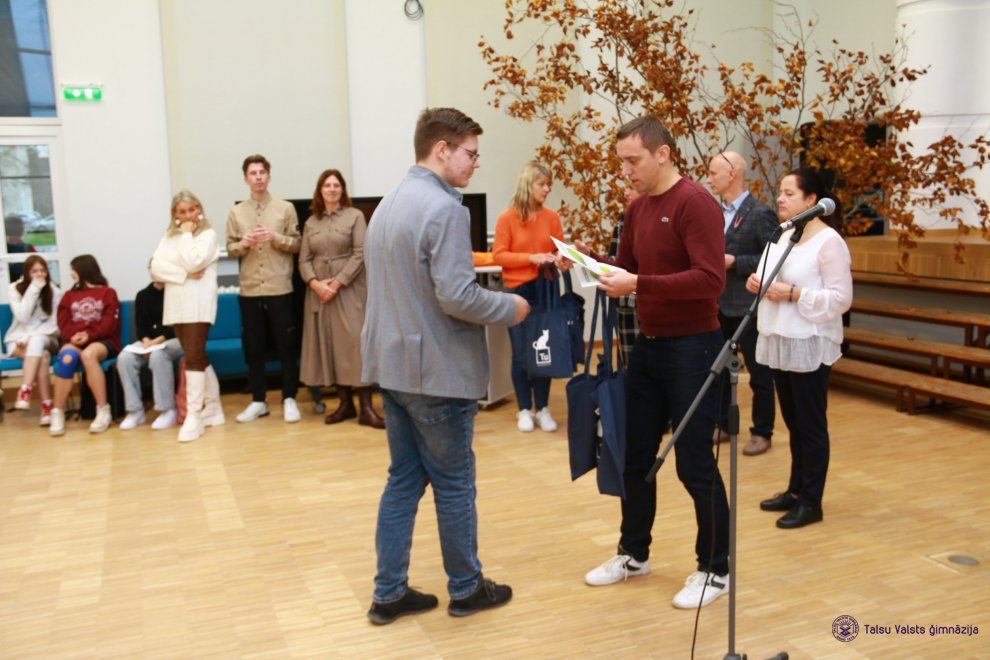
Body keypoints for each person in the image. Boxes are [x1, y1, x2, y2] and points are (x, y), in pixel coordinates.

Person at [361, 107, 530, 624]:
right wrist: (511, 307)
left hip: (393, 367)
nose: (476, 163)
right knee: (454, 484)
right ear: (442, 149)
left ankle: (388, 593)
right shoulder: (445, 210)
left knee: (403, 482)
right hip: (435, 372)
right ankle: (466, 588)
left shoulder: (388, 202)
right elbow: (457, 296)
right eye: (471, 154)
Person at [576, 117, 731, 609]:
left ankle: (715, 568)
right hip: (649, 346)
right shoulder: (638, 207)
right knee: (634, 456)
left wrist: (638, 284)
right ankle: (633, 553)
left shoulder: (695, 203)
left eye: (633, 160)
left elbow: (711, 280)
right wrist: (584, 260)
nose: (625, 170)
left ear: (662, 154)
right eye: (621, 161)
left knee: (694, 464)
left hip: (694, 349)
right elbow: (627, 269)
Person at [746, 168, 853, 529]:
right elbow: (768, 277)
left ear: (812, 200)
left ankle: (811, 501)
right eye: (780, 192)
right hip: (781, 337)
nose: (780, 198)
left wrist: (793, 294)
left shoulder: (829, 242)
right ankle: (795, 490)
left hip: (808, 341)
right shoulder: (783, 234)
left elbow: (841, 299)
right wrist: (756, 283)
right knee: (793, 422)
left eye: (789, 193)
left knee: (810, 425)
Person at [706, 150, 779, 456]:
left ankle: (762, 431)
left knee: (759, 374)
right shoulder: (712, 213)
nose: (708, 179)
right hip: (718, 307)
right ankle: (723, 423)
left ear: (732, 174)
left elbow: (774, 258)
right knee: (719, 370)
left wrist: (736, 261)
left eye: (713, 173)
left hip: (749, 308)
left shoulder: (759, 213)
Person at [298, 169, 384, 429]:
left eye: (337, 185)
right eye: (327, 185)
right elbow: (303, 259)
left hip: (350, 290)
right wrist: (315, 284)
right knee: (330, 345)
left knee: (356, 345)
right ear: (320, 191)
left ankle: (366, 407)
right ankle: (345, 404)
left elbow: (360, 253)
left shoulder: (354, 216)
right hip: (320, 294)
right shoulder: (311, 222)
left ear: (343, 190)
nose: (332, 189)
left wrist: (336, 284)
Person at [225, 154, 302, 424]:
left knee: (286, 345)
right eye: (253, 173)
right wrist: (243, 244)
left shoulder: (285, 208)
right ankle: (259, 400)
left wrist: (275, 237)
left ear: (268, 176)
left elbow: (297, 244)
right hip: (249, 290)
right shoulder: (236, 213)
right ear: (246, 179)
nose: (258, 177)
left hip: (279, 287)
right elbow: (230, 248)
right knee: (253, 346)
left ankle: (289, 397)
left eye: (262, 172)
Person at [492, 161, 564, 433]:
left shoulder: (552, 218)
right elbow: (500, 255)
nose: (547, 189)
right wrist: (531, 258)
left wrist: (562, 258)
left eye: (548, 185)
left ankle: (543, 408)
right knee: (521, 354)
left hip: (546, 290)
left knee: (543, 352)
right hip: (518, 292)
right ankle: (524, 409)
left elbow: (559, 250)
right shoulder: (507, 218)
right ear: (528, 185)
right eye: (541, 184)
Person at [152, 190, 223, 442]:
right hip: (176, 305)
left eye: (192, 209)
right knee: (197, 355)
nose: (188, 215)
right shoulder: (168, 237)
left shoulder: (208, 235)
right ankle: (213, 407)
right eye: (182, 212)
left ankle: (194, 416)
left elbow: (194, 262)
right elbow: (155, 268)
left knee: (192, 357)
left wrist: (186, 236)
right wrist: (183, 274)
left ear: (199, 209)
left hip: (198, 304)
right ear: (175, 215)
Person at [49, 255, 121, 436]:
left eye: (73, 269)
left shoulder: (108, 293)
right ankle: (57, 412)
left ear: (83, 271)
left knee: (88, 355)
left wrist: (89, 335)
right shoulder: (68, 296)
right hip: (74, 340)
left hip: (101, 340)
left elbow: (109, 325)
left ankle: (103, 410)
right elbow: (63, 324)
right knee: (67, 358)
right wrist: (74, 337)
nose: (71, 273)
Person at [116, 271, 184, 431]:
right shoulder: (143, 295)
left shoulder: (176, 292)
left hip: (173, 339)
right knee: (125, 358)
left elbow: (178, 325)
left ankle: (167, 409)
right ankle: (135, 410)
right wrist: (146, 341)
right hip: (149, 341)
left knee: (158, 355)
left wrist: (157, 341)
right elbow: (140, 325)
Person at [4, 254, 61, 425]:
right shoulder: (14, 288)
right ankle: (46, 408)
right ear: (26, 273)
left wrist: (29, 337)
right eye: (34, 271)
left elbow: (54, 325)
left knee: (37, 340)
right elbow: (22, 316)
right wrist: (34, 289)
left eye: (42, 271)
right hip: (17, 340)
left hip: (47, 337)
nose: (39, 275)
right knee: (43, 357)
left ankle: (25, 389)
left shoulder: (55, 292)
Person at [606, 187, 642, 367]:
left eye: (631, 187)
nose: (625, 192)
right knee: (631, 366)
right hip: (626, 305)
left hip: (652, 303)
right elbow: (613, 259)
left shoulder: (662, 219)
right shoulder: (623, 220)